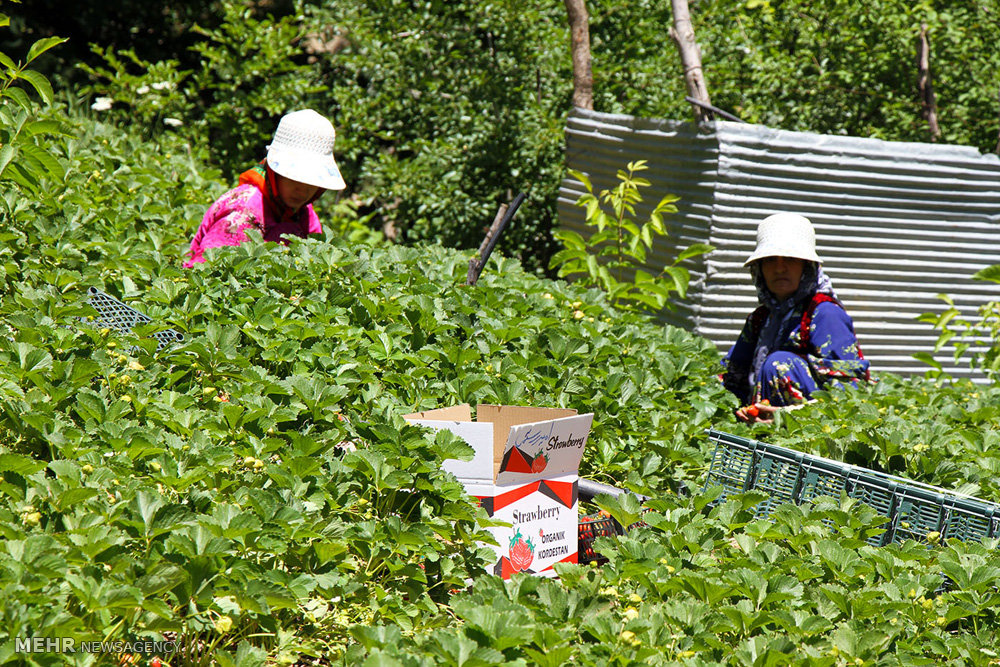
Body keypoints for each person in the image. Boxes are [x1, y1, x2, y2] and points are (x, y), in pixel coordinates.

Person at [721, 213, 870, 423]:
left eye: (790, 259)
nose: (780, 268)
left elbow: (850, 398)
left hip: (809, 434)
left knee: (778, 363)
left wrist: (787, 416)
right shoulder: (760, 319)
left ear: (806, 267)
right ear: (759, 269)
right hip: (759, 432)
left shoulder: (824, 314)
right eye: (770, 260)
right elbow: (730, 378)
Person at [184, 108, 346, 267]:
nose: (302, 190)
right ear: (275, 173)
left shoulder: (303, 212)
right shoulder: (244, 211)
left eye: (311, 181)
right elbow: (210, 270)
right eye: (294, 179)